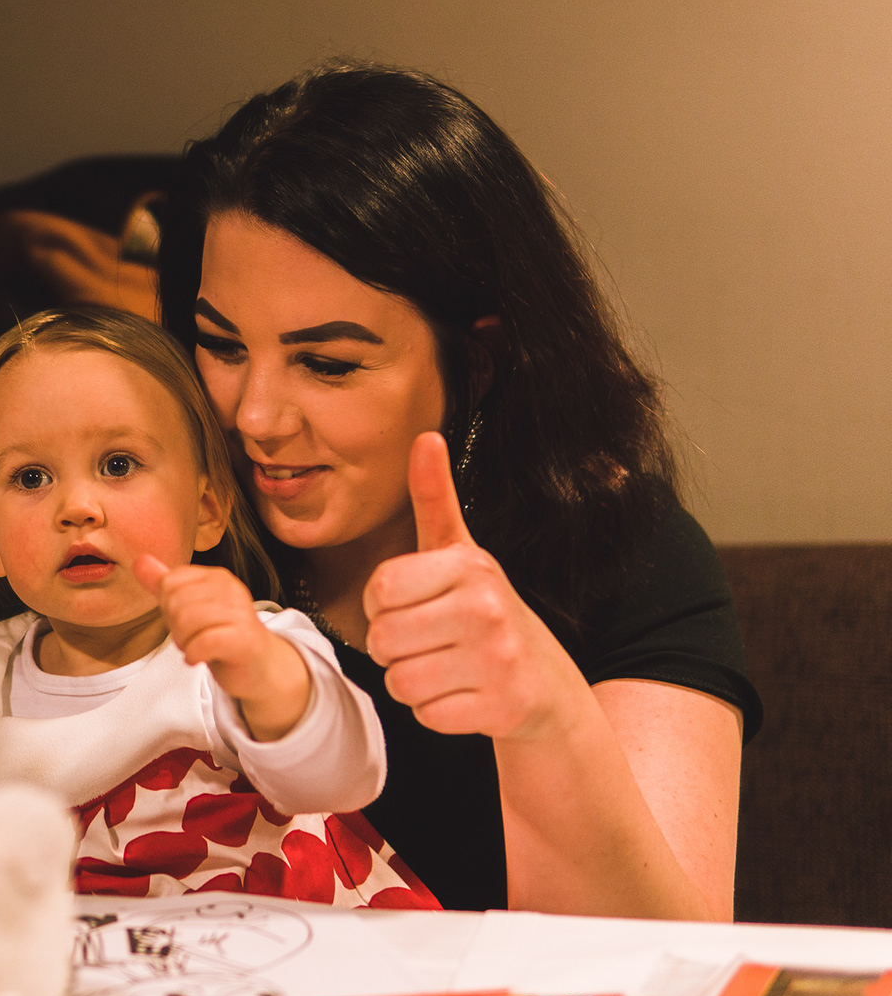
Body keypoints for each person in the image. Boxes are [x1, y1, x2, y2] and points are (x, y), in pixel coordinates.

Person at [156, 62, 760, 918]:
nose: (255, 416)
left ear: (478, 362)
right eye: (221, 346)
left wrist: (544, 716)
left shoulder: (620, 551)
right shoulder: (162, 540)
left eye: (326, 364)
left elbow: (674, 959)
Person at [0, 306, 436, 906]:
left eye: (118, 465)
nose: (77, 508)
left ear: (207, 508)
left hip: (273, 952)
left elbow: (339, 780)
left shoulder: (234, 650)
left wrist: (270, 681)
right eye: (31, 478)